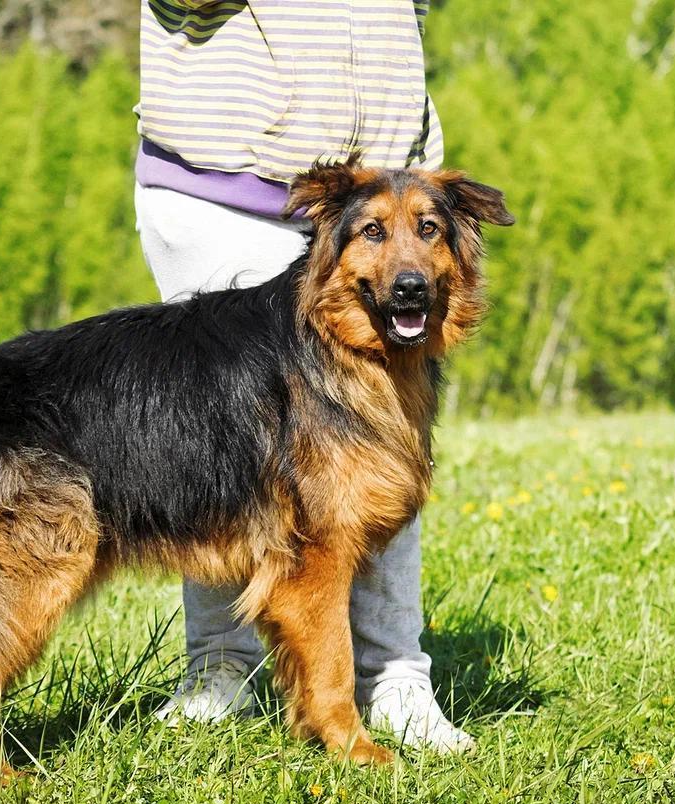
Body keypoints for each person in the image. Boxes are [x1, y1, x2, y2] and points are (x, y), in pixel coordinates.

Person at [133, 0, 475, 755]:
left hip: (387, 170)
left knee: (374, 465)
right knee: (229, 459)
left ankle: (394, 680)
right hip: (226, 189)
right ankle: (224, 673)